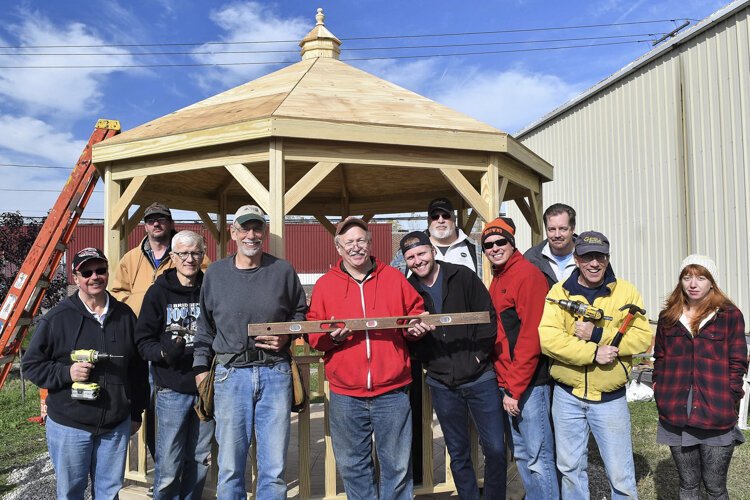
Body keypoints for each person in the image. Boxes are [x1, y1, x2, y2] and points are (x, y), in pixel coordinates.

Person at [307, 217, 430, 500]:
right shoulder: (326, 285)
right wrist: (332, 337)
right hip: (346, 395)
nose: (356, 247)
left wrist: (416, 329)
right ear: (338, 248)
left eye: (361, 240)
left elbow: (415, 315)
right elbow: (314, 336)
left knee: (397, 467)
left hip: (393, 391)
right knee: (353, 467)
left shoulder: (394, 278)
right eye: (348, 242)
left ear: (371, 244)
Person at [192, 205, 306, 499]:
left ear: (265, 233)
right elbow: (204, 327)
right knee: (230, 467)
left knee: (274, 468)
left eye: (257, 229)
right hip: (230, 376)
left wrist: (287, 335)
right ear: (233, 233)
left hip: (275, 372)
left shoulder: (282, 270)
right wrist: (201, 371)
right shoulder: (215, 273)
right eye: (244, 228)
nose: (251, 235)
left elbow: (301, 315)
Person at [22, 248, 149, 500]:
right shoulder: (58, 318)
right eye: (87, 272)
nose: (94, 277)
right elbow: (31, 365)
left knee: (109, 492)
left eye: (100, 270)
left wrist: (135, 413)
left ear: (107, 272)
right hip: (70, 425)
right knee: (71, 493)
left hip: (115, 425)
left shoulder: (124, 316)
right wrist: (67, 372)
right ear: (75, 276)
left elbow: (138, 369)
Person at [539, 231, 652, 499]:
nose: (594, 263)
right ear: (576, 259)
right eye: (587, 257)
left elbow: (642, 338)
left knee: (620, 473)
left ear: (607, 258)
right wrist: (592, 353)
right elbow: (549, 340)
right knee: (570, 470)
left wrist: (599, 335)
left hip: (610, 400)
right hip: (567, 397)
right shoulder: (559, 293)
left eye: (599, 257)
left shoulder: (626, 291)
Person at [401, 231, 506, 499]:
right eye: (410, 257)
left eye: (421, 253)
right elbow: (404, 337)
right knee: (457, 451)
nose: (418, 261)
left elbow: (488, 317)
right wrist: (420, 347)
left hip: (480, 377)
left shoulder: (462, 276)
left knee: (495, 447)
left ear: (433, 251)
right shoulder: (407, 289)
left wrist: (478, 357)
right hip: (441, 381)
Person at [653, 255, 748, 500]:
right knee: (688, 485)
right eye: (687, 277)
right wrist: (659, 389)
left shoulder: (729, 316)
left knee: (715, 488)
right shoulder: (668, 318)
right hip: (676, 411)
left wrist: (731, 394)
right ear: (680, 281)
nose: (693, 284)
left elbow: (738, 360)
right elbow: (660, 358)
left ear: (712, 283)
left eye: (701, 277)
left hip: (715, 410)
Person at [134, 231, 215, 500]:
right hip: (171, 387)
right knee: (168, 463)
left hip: (206, 388)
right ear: (173, 257)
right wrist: (161, 352)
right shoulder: (158, 292)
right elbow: (142, 339)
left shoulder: (211, 288)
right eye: (183, 253)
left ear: (203, 255)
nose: (189, 259)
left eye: (195, 253)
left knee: (200, 458)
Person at [481, 217, 558, 499]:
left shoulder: (527, 275)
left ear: (512, 244)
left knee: (539, 457)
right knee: (523, 456)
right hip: (507, 382)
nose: (494, 248)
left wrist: (514, 388)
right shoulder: (499, 277)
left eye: (501, 242)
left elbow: (530, 337)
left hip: (528, 385)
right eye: (488, 245)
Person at [110, 202, 210, 316]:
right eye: (150, 221)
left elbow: (208, 286)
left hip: (177, 323)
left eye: (161, 219)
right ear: (146, 227)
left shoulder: (193, 256)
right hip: (140, 325)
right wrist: (138, 307)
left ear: (172, 224)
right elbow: (117, 292)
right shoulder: (129, 258)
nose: (156, 224)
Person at [524, 203, 578, 288]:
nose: (557, 235)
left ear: (573, 229)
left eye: (563, 229)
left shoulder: (590, 256)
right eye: (551, 229)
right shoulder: (530, 259)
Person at [426, 197, 478, 272]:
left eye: (446, 215)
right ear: (428, 221)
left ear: (454, 219)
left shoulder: (474, 249)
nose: (440, 220)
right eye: (435, 217)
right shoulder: (412, 251)